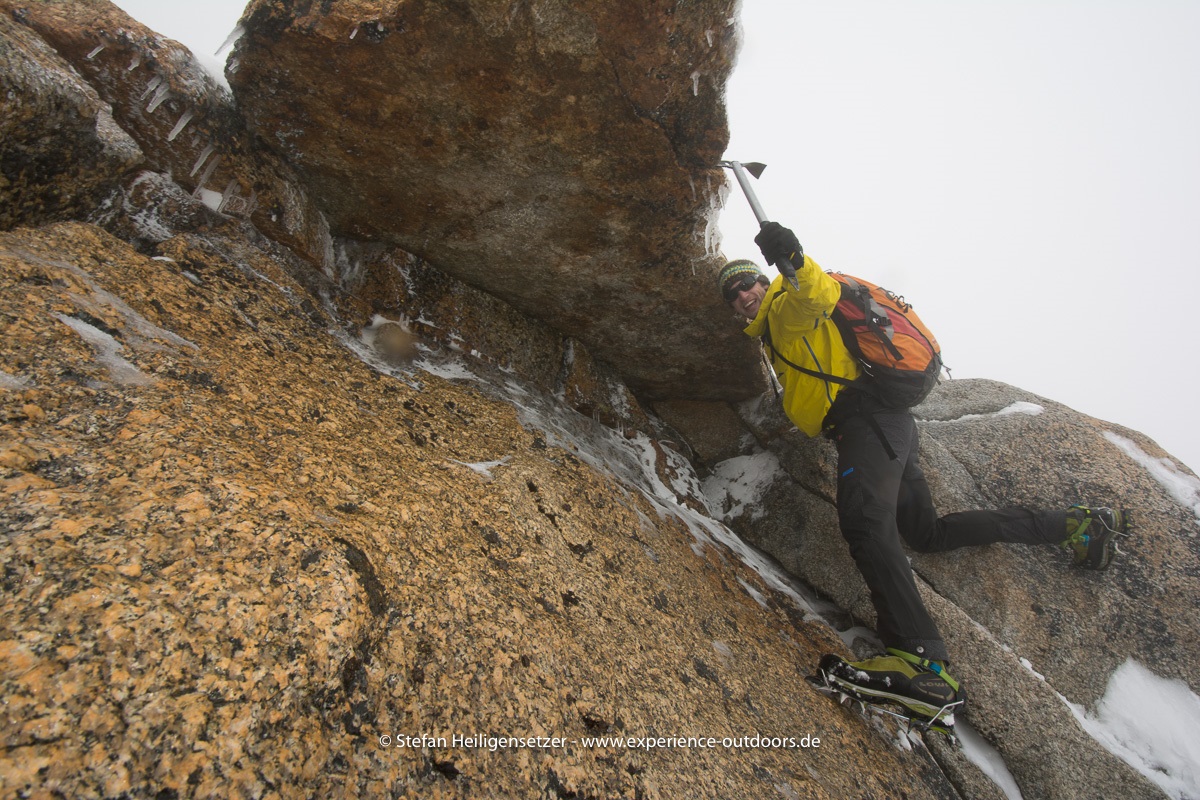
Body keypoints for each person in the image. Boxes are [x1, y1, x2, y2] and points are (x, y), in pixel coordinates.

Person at [719, 221, 1130, 726]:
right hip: (889, 426)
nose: (742, 295)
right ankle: (1075, 525)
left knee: (866, 525)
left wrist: (793, 259)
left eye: (747, 282)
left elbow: (815, 293)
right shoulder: (772, 328)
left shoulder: (786, 301)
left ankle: (923, 663)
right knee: (925, 533)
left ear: (764, 280)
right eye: (732, 294)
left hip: (865, 421)